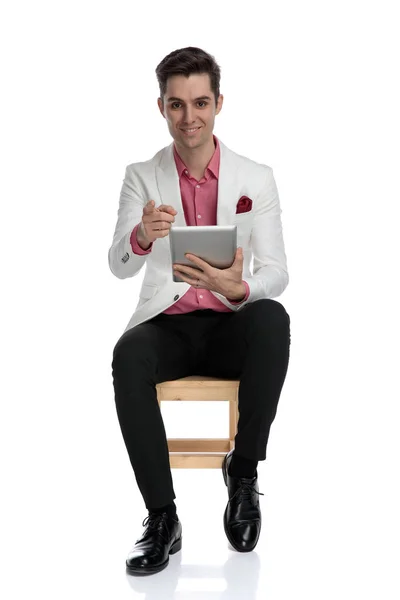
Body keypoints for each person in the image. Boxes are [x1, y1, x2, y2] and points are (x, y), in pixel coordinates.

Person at [109, 46, 291, 576]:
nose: (190, 118)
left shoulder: (255, 178)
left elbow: (278, 271)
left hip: (230, 323)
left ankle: (243, 474)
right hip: (167, 325)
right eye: (177, 105)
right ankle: (162, 518)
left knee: (273, 318)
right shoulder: (141, 175)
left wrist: (239, 288)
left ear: (218, 104)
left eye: (200, 103)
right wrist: (141, 235)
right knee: (127, 356)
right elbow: (118, 264)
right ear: (161, 108)